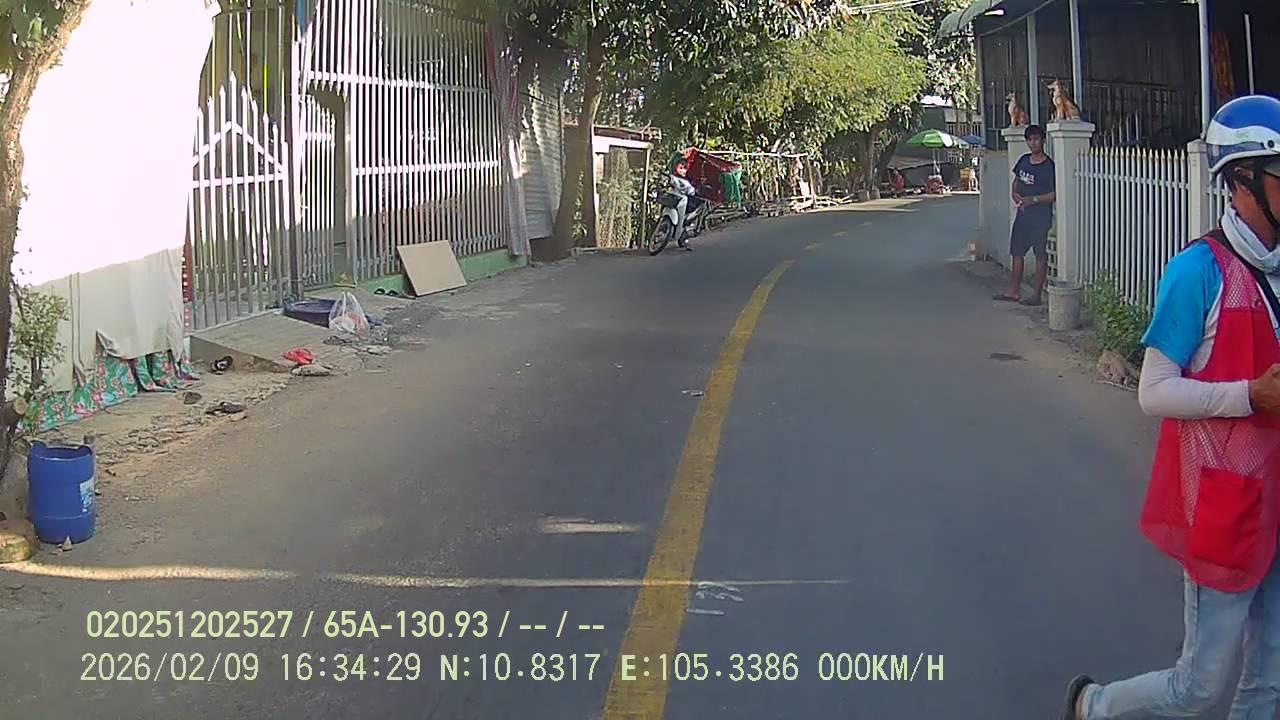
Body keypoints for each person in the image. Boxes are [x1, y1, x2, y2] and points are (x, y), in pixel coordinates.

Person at [1062, 95, 1280, 720]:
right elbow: (1154, 390)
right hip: (1224, 505)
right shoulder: (1198, 272)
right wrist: (1248, 395)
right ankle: (1094, 707)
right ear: (1240, 181)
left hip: (1277, 498)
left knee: (1269, 681)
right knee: (1199, 690)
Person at [994, 124, 1056, 306]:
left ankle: (1036, 295)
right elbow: (1016, 181)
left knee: (1040, 255)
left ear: (1042, 140)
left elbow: (1054, 194)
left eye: (1036, 139)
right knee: (1017, 252)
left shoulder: (1049, 166)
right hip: (1023, 215)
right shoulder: (1023, 161)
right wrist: (1015, 194)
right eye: (1029, 140)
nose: (1033, 143)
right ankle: (1013, 291)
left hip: (1040, 216)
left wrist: (1034, 200)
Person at [669, 159, 703, 250]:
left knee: (688, 217)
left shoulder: (689, 180)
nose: (682, 171)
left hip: (686, 202)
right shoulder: (671, 177)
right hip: (674, 199)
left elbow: (692, 190)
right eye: (680, 168)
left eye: (684, 169)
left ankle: (685, 231)